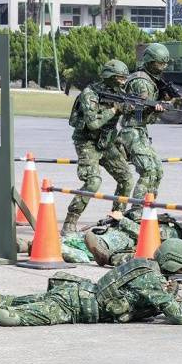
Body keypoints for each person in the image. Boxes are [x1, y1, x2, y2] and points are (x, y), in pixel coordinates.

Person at [0, 238, 182, 328]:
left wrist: (172, 291)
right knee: (12, 316)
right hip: (73, 307)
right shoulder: (152, 281)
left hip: (76, 293)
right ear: (172, 265)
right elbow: (179, 317)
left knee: (10, 301)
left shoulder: (146, 266)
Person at [61, 60, 134, 235]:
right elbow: (93, 123)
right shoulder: (90, 93)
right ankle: (69, 223)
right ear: (109, 77)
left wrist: (148, 109)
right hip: (87, 142)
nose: (123, 82)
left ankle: (116, 219)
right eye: (119, 78)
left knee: (126, 179)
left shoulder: (119, 93)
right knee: (93, 182)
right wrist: (114, 110)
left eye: (125, 78)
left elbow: (133, 117)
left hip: (106, 142)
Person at [119, 43, 178, 220]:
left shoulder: (150, 79)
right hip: (132, 131)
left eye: (165, 63)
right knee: (148, 171)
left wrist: (167, 104)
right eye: (160, 63)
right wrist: (155, 108)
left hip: (140, 130)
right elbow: (138, 110)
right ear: (150, 62)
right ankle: (136, 211)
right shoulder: (141, 82)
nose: (163, 67)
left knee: (157, 170)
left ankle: (146, 207)